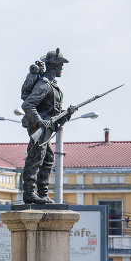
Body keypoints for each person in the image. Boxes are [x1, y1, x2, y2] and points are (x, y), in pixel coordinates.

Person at [21, 48, 75, 204]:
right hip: (39, 127)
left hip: (45, 127)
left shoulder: (52, 85)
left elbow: (52, 112)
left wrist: (67, 113)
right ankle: (29, 193)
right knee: (36, 157)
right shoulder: (44, 85)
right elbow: (28, 105)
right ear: (54, 66)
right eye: (60, 65)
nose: (62, 68)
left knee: (48, 158)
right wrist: (39, 122)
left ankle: (43, 193)